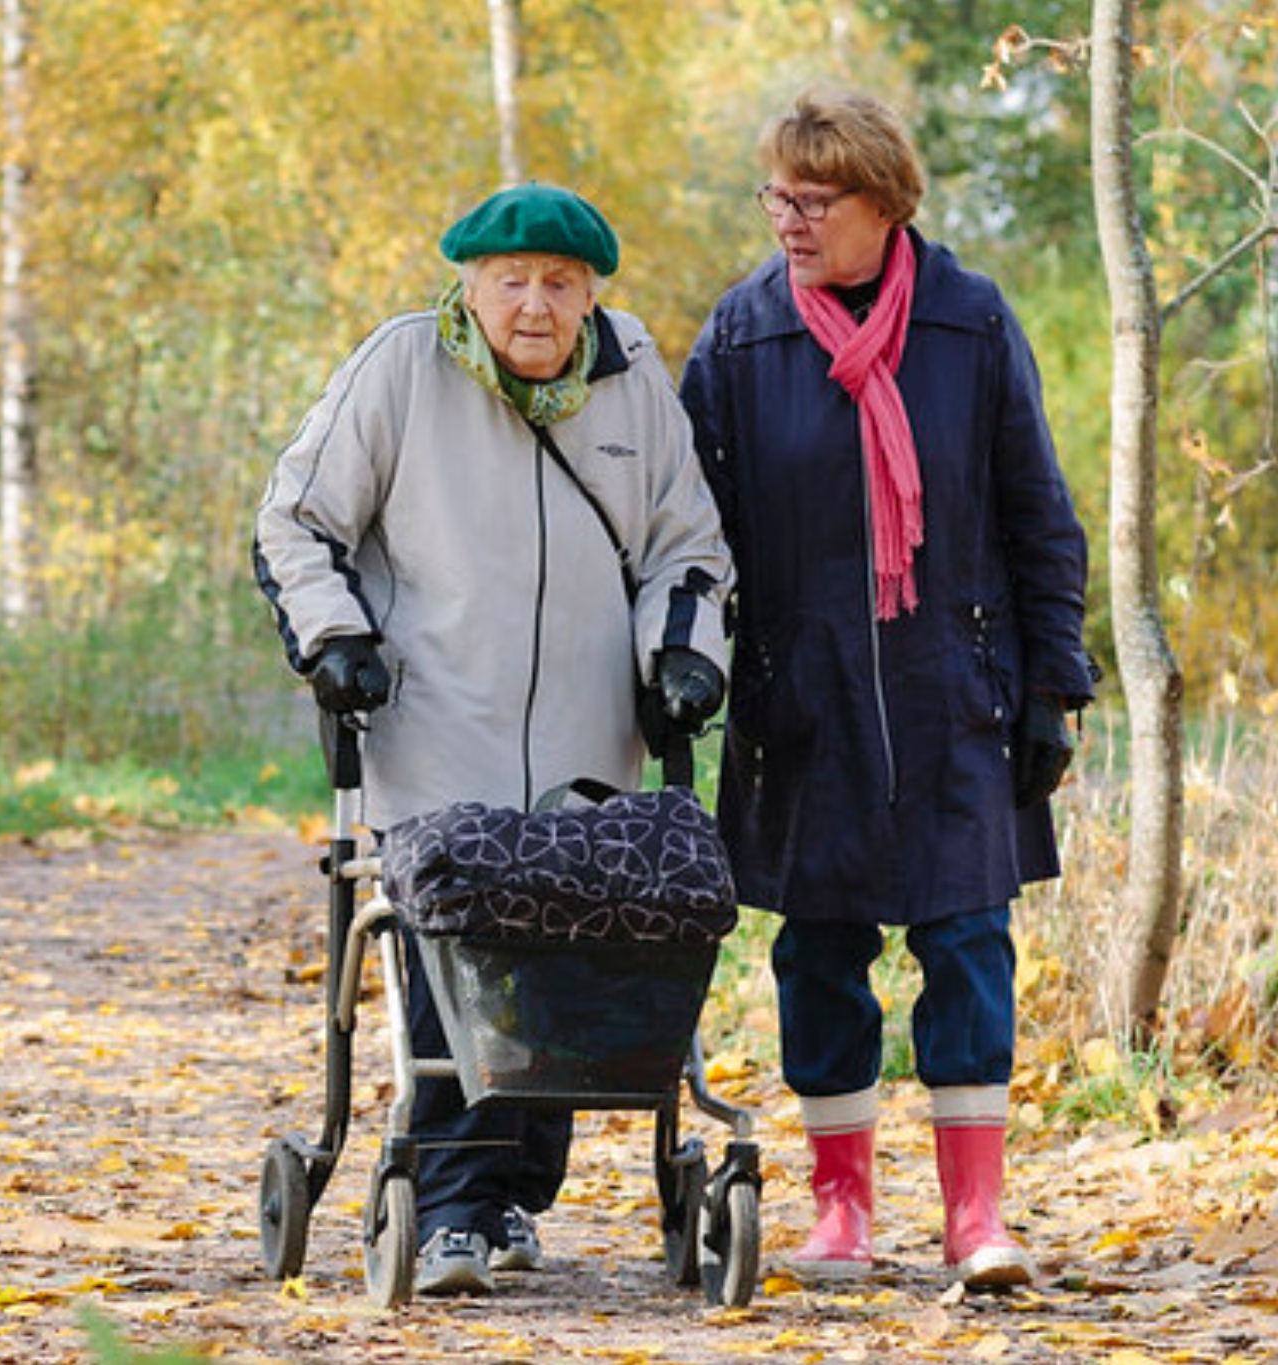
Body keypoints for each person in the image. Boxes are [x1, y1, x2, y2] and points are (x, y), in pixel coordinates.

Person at [253, 183, 734, 1296]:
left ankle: (507, 1194)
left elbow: (688, 548)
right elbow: (295, 519)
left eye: (559, 284)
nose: (534, 305)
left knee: (562, 972)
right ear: (470, 286)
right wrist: (335, 639)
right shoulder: (402, 365)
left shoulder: (629, 379)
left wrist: (684, 653)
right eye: (511, 280)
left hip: (586, 747)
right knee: (452, 956)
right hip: (432, 735)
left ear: (590, 293)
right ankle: (455, 1204)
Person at [680, 87, 1095, 1289]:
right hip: (797, 699)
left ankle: (974, 1221)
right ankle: (840, 1214)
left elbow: (1037, 514)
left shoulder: (966, 321)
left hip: (953, 687)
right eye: (775, 198)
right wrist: (701, 663)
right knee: (818, 952)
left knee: (967, 943)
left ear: (883, 204)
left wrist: (1051, 683)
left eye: (813, 202)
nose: (788, 222)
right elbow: (686, 528)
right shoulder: (743, 334)